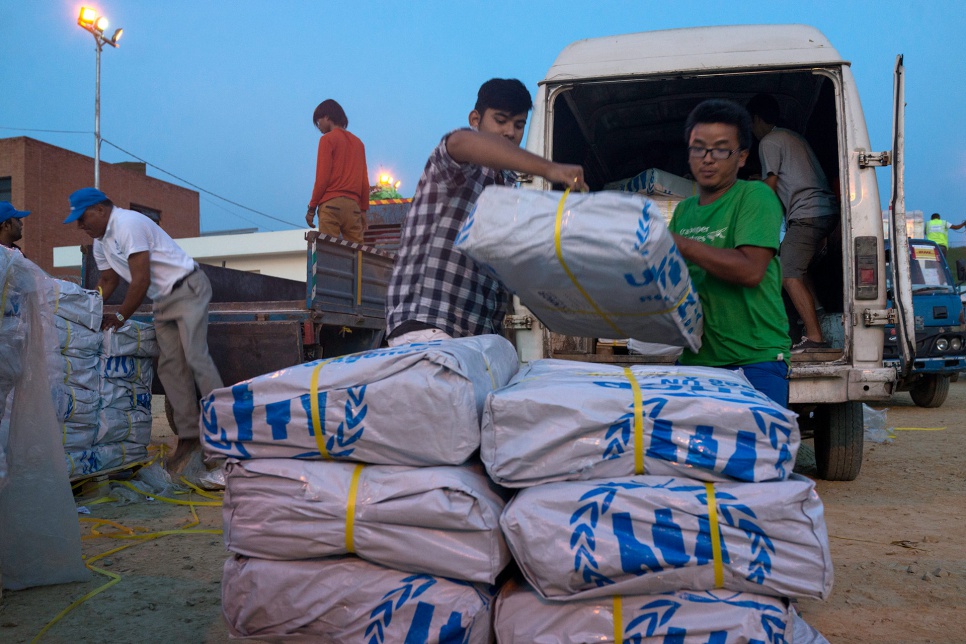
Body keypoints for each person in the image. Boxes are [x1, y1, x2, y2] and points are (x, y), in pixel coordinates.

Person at [385, 78, 587, 346]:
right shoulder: (457, 166)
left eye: (518, 125)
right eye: (500, 120)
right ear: (475, 119)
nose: (509, 132)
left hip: (476, 337)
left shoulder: (509, 186)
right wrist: (551, 169)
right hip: (428, 326)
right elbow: (460, 142)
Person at [63, 187, 223, 473]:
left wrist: (122, 315)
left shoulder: (128, 224)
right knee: (170, 367)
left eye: (83, 217)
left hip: (188, 287)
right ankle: (189, 438)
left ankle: (226, 433)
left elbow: (140, 279)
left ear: (101, 208)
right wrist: (86, 309)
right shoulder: (101, 242)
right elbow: (108, 280)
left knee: (196, 357)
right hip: (163, 298)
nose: (80, 226)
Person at [669, 99, 791, 407]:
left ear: (742, 157)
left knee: (757, 453)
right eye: (698, 148)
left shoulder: (756, 196)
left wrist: (678, 243)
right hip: (697, 360)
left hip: (755, 359)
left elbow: (750, 271)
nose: (707, 159)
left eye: (721, 149)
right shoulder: (683, 211)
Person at [746, 93, 839, 352]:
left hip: (808, 213)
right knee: (797, 264)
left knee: (786, 272)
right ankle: (817, 314)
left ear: (755, 119)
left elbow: (770, 187)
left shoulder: (768, 142)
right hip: (823, 209)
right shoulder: (791, 137)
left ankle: (815, 338)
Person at [305, 99, 370, 244]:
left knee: (330, 254)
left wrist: (311, 209)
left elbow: (322, 179)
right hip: (353, 207)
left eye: (318, 121)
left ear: (327, 117)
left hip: (331, 205)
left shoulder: (327, 140)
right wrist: (363, 210)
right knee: (357, 255)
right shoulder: (359, 143)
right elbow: (364, 181)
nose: (318, 126)